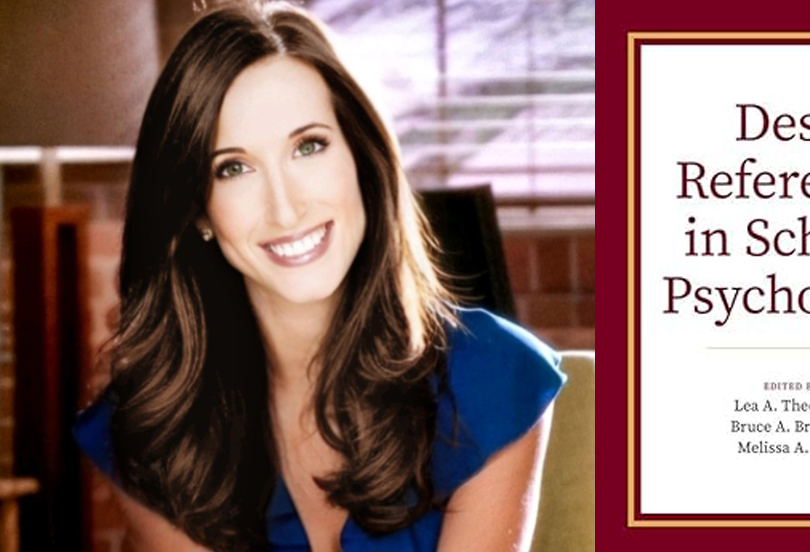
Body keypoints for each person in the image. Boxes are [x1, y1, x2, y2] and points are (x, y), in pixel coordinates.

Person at [72, 2, 566, 552]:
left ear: (362, 156)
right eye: (233, 168)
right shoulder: (150, 424)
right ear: (200, 211)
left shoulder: (493, 380)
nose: (285, 209)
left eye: (308, 146)